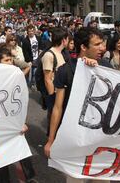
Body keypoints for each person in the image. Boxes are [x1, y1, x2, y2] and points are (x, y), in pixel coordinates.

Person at [44, 27, 111, 183]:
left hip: (100, 139)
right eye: (98, 44)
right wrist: (51, 140)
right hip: (75, 138)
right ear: (83, 47)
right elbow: (57, 107)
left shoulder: (106, 67)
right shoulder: (65, 71)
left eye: (103, 43)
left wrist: (97, 70)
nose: (103, 48)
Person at [0, 46, 37, 183]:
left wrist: (21, 122)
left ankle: (29, 178)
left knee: (20, 151)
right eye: (7, 60)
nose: (11, 63)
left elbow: (18, 103)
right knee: (0, 157)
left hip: (14, 125)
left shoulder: (14, 77)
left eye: (11, 60)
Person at [41, 27, 68, 126]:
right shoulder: (49, 55)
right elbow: (47, 79)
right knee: (53, 122)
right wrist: (52, 98)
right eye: (67, 39)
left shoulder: (61, 53)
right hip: (55, 95)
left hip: (61, 93)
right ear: (63, 40)